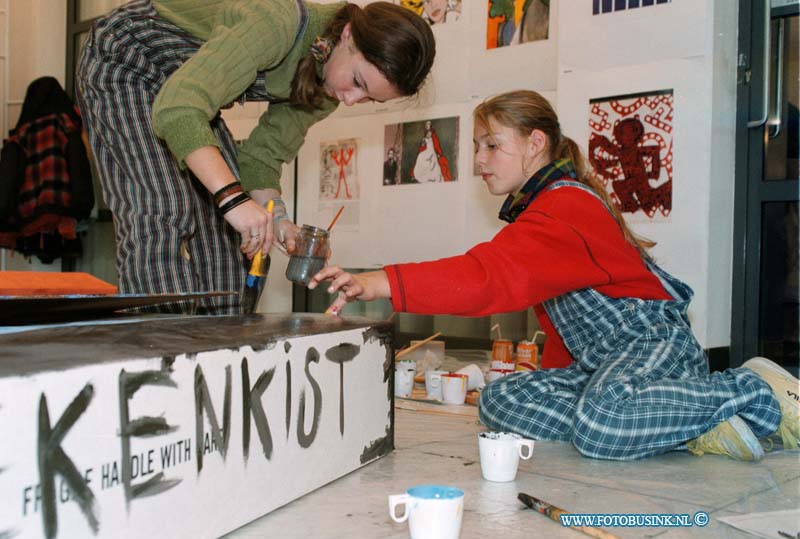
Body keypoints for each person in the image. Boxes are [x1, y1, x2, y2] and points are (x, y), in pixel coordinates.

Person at [309, 90, 799, 462]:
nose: (478, 159)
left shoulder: (564, 206)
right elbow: (564, 326)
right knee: (502, 401)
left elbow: (488, 276)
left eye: (491, 145)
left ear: (535, 143)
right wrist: (556, 381)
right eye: (478, 146)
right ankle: (684, 422)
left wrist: (381, 282)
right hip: (603, 364)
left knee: (600, 425)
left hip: (651, 347)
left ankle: (749, 389)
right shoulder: (544, 209)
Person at [76, 0, 435, 314]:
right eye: (358, 82)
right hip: (127, 62)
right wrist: (233, 200)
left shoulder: (329, 86)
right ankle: (161, 354)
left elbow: (260, 161)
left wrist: (278, 220)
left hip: (187, 93)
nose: (352, 100)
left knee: (233, 235)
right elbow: (179, 108)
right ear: (347, 36)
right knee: (163, 207)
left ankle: (221, 353)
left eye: (371, 100)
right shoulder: (275, 22)